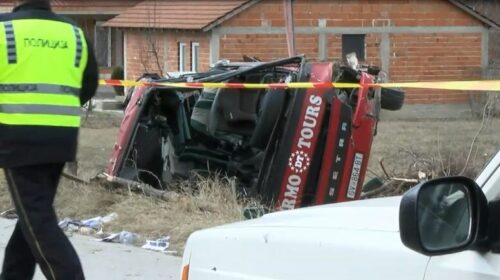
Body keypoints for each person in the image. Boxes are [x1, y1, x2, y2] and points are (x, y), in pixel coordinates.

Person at [0, 0, 98, 279]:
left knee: (38, 223)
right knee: (32, 218)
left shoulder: (3, 28)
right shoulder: (74, 32)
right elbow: (88, 84)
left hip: (18, 138)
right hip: (61, 138)